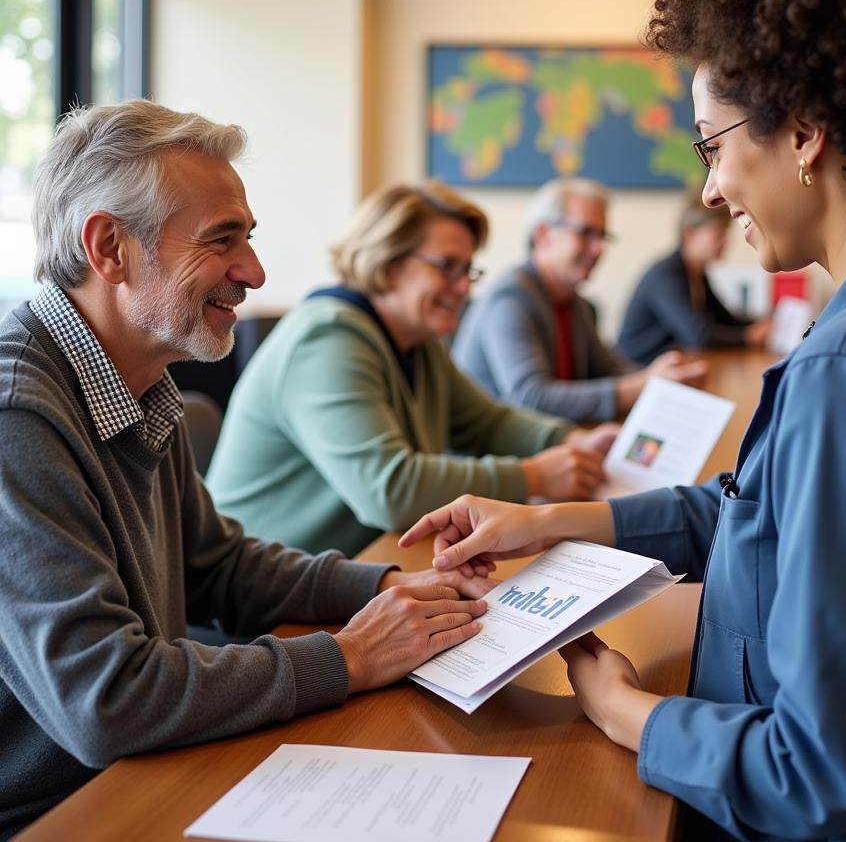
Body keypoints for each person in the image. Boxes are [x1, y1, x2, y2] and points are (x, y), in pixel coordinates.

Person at [401, 0, 846, 840]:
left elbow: (812, 775)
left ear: (805, 133)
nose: (708, 186)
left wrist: (621, 710)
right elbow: (761, 514)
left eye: (712, 145)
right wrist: (550, 519)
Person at [0, 101, 493, 839]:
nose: (254, 272)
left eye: (248, 239)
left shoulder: (135, 378)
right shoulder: (17, 416)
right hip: (62, 811)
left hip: (136, 773)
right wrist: (350, 658)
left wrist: (388, 586)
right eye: (221, 240)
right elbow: (106, 700)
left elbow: (219, 567)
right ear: (109, 249)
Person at [207, 182, 614, 557]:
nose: (464, 288)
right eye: (447, 267)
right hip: (257, 601)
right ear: (386, 261)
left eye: (468, 270)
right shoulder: (326, 339)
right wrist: (535, 476)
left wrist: (573, 440)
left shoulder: (419, 341)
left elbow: (488, 424)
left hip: (348, 569)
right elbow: (391, 490)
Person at [452, 177, 706, 422]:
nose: (598, 249)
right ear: (543, 235)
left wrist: (668, 379)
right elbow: (531, 398)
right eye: (585, 233)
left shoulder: (572, 299)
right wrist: (643, 385)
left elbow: (607, 368)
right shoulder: (510, 299)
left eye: (602, 237)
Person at [617, 197, 772, 364]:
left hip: (666, 369)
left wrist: (763, 321)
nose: (726, 241)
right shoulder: (665, 275)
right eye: (718, 233)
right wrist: (747, 337)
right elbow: (698, 335)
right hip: (635, 372)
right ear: (690, 234)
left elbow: (726, 319)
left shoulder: (695, 274)